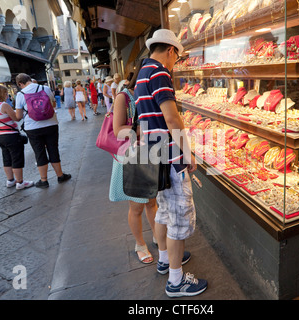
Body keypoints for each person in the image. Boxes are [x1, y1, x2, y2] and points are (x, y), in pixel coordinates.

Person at [134, 29, 207, 297]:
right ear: (171, 51)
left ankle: (165, 260)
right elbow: (173, 119)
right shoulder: (160, 73)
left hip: (155, 155)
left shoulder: (143, 72)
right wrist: (188, 155)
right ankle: (176, 282)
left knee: (165, 211)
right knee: (179, 217)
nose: (175, 62)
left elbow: (145, 121)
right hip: (170, 157)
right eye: (177, 56)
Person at [110, 60, 158, 264]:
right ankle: (140, 244)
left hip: (152, 152)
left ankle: (158, 236)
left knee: (152, 202)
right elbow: (117, 130)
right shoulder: (124, 97)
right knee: (137, 205)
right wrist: (143, 129)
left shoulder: (152, 95)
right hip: (131, 156)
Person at [15, 73, 71, 188]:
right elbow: (53, 104)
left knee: (39, 153)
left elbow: (19, 116)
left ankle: (44, 180)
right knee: (53, 149)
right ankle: (60, 176)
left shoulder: (21, 94)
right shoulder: (44, 88)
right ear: (30, 79)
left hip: (32, 127)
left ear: (20, 84)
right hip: (51, 124)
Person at [0, 84, 34, 190]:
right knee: (16, 158)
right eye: (5, 92)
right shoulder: (4, 105)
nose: (7, 95)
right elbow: (16, 118)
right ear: (0, 93)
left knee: (6, 158)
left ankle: (10, 180)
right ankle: (20, 182)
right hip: (11, 135)